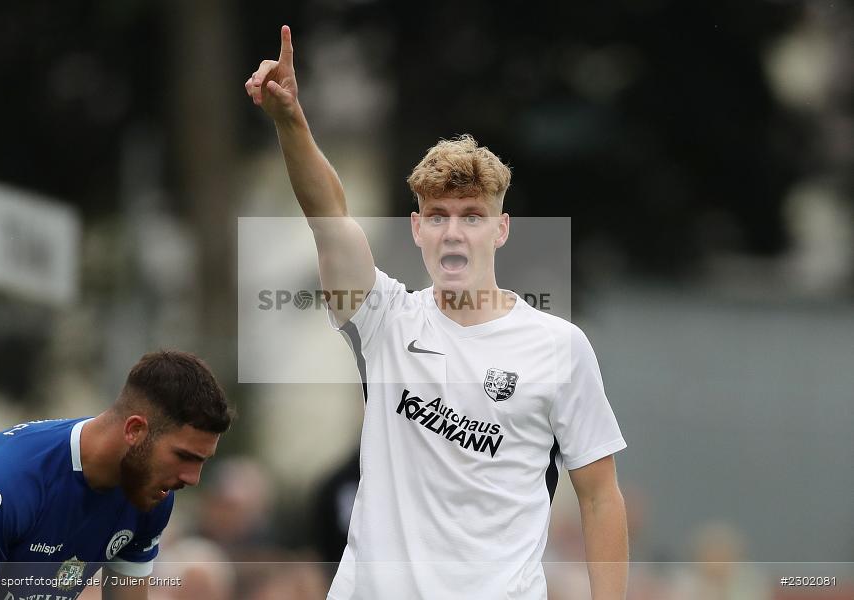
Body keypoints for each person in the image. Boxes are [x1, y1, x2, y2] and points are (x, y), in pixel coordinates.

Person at [246, 26, 629, 600]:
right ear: (417, 229)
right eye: (439, 215)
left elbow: (600, 496)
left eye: (472, 216)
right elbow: (329, 215)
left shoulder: (559, 346)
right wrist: (291, 120)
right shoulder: (384, 319)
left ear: (500, 230)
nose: (455, 232)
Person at [0, 350, 233, 600]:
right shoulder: (3, 485)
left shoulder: (150, 493)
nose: (192, 478)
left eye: (202, 462)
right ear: (135, 430)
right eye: (184, 456)